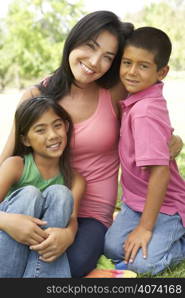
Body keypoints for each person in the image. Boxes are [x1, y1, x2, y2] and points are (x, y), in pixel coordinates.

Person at [0, 11, 182, 277]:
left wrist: (174, 142)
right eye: (90, 47)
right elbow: (8, 158)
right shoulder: (36, 96)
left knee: (74, 265)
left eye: (108, 57)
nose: (95, 62)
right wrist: (7, 220)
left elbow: (151, 121)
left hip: (91, 212)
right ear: (74, 40)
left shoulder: (116, 92)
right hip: (35, 203)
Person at [104, 26, 185, 275]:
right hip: (135, 203)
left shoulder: (145, 111)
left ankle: (179, 240)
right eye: (127, 62)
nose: (131, 71)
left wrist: (145, 228)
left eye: (143, 66)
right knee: (112, 249)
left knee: (142, 264)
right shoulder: (137, 101)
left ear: (162, 72)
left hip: (166, 206)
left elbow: (160, 174)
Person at [0, 96, 85, 277]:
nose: (53, 135)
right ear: (25, 140)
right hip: (6, 249)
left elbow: (72, 219)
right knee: (30, 194)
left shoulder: (75, 180)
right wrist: (8, 222)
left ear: (66, 127)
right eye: (40, 130)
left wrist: (68, 235)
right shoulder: (16, 165)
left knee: (61, 194)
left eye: (57, 125)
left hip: (38, 259)